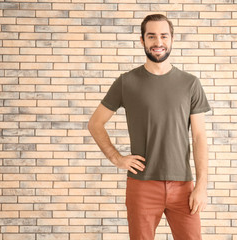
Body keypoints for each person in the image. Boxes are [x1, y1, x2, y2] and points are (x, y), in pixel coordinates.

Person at [88, 14, 211, 240]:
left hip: (183, 186)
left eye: (163, 36)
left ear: (172, 39)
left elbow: (199, 136)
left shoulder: (190, 83)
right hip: (142, 186)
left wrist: (201, 185)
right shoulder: (127, 82)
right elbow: (95, 124)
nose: (158, 42)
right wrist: (117, 158)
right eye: (151, 36)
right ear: (142, 40)